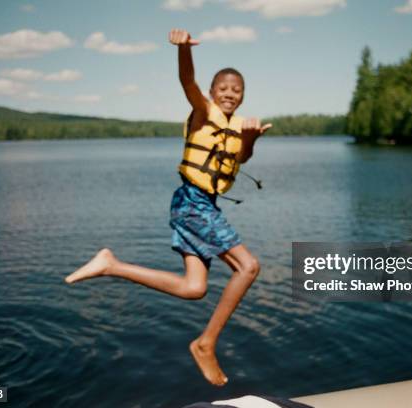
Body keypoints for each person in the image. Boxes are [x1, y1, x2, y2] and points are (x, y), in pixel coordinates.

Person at [65, 28, 272, 386]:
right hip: (193, 202)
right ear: (211, 92)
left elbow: (241, 157)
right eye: (222, 88)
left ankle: (111, 265)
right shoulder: (202, 111)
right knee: (248, 266)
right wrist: (184, 50)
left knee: (194, 288)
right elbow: (186, 79)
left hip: (199, 204)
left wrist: (251, 139)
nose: (229, 94)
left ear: (242, 97)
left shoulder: (239, 126)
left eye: (236, 90)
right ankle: (206, 344)